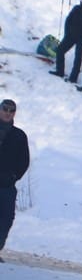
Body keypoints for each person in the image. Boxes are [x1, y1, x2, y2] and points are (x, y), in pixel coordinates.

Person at [0, 98, 31, 263]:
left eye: (11, 110)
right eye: (5, 109)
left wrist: (13, 177)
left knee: (6, 218)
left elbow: (24, 161)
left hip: (6, 185)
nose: (7, 113)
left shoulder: (19, 136)